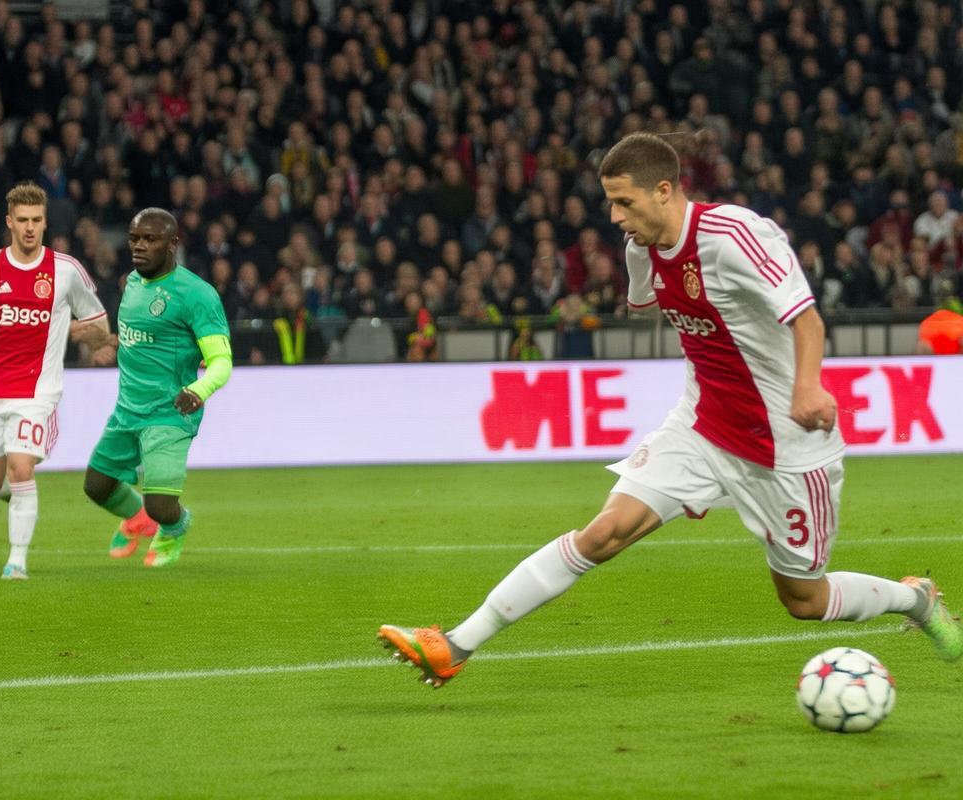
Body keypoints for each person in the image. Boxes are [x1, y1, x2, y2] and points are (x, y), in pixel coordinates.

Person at [378, 133, 963, 687]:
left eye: (624, 202)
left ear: (664, 190)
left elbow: (807, 318)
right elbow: (643, 303)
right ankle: (454, 645)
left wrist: (806, 387)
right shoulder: (641, 245)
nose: (615, 216)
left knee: (804, 600)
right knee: (602, 534)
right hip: (701, 426)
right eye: (610, 202)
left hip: (783, 445)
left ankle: (915, 599)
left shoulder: (736, 235)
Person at [0, 183, 112, 580]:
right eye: (23, 220)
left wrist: (87, 335)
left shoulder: (66, 270)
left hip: (38, 393)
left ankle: (16, 561)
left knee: (20, 466)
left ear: (45, 222)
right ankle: (19, 498)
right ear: (9, 222)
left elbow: (99, 323)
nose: (30, 228)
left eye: (36, 220)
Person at [82, 208, 232, 567]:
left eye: (150, 239)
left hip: (170, 411)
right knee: (96, 486)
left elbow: (222, 361)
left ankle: (176, 526)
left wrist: (199, 389)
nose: (139, 246)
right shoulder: (133, 282)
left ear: (173, 244)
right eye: (135, 238)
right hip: (128, 409)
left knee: (161, 505)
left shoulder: (197, 294)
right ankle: (138, 520)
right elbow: (143, 338)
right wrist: (111, 344)